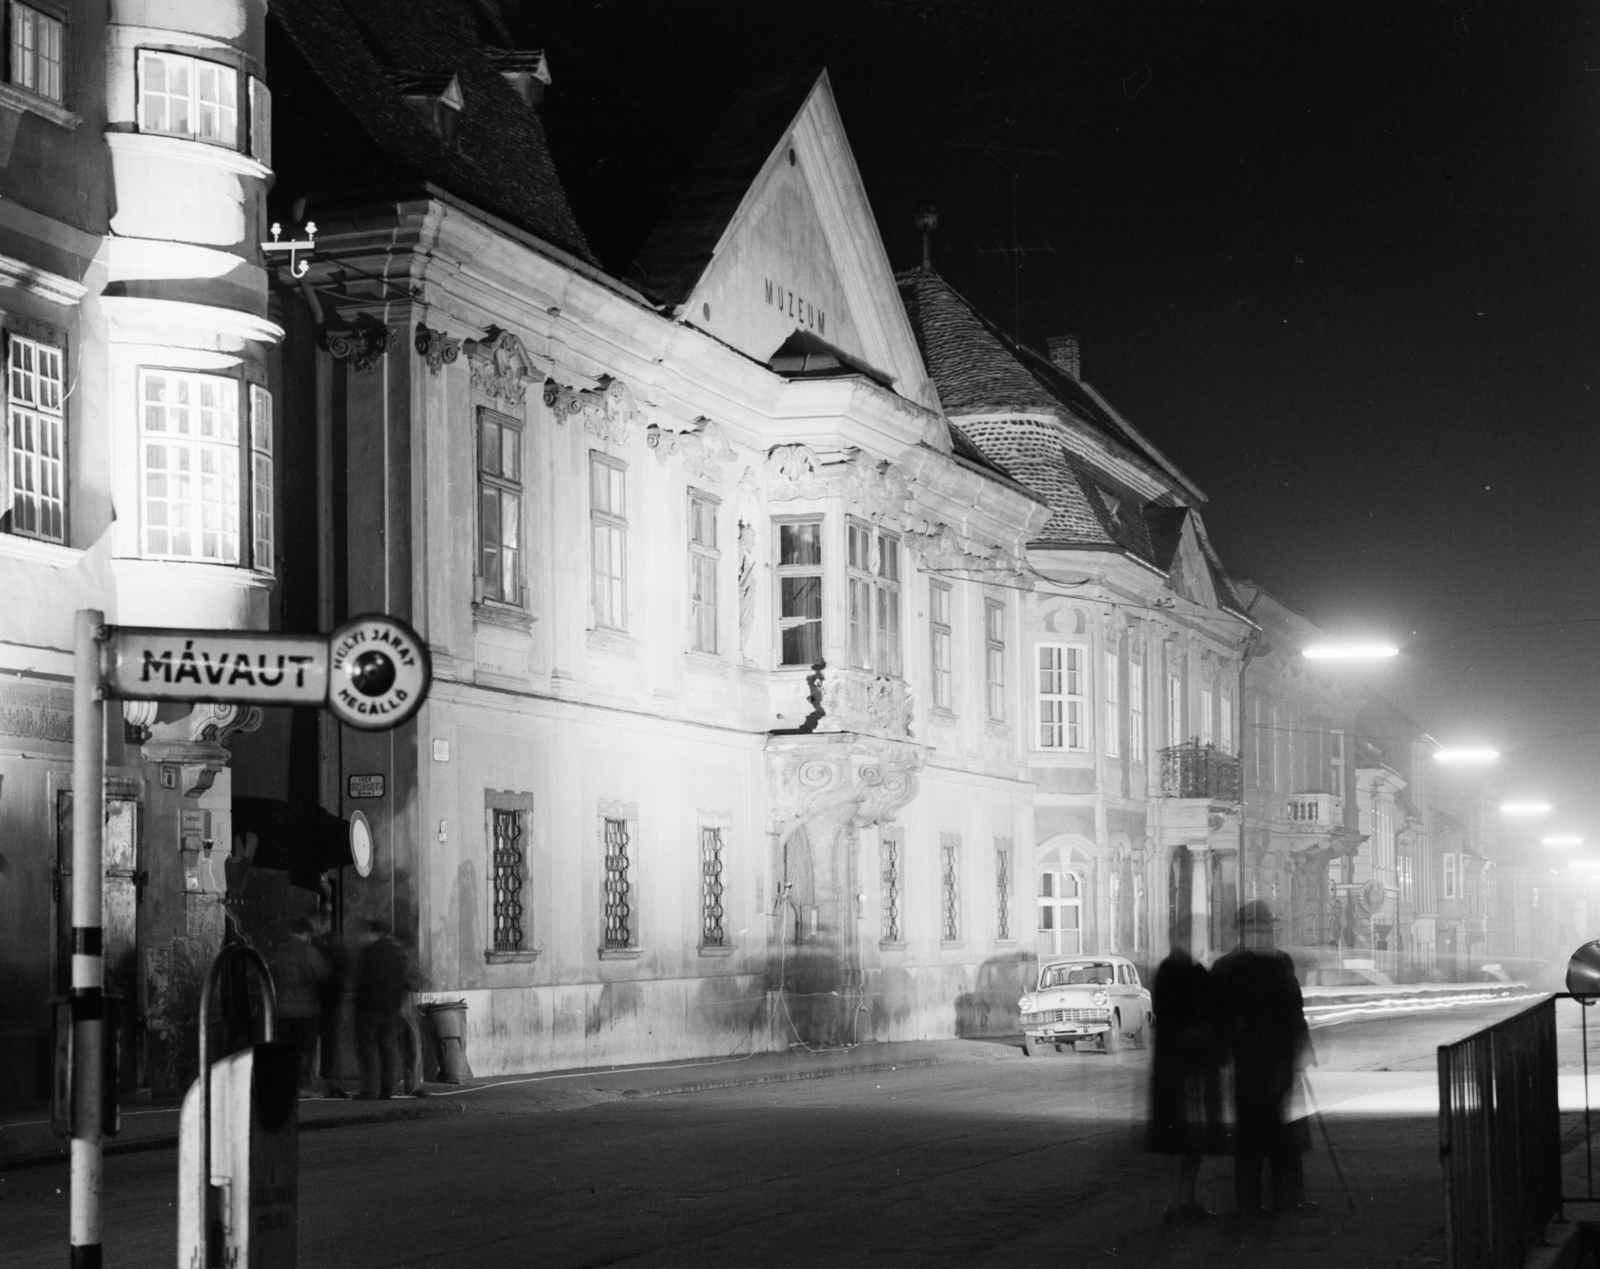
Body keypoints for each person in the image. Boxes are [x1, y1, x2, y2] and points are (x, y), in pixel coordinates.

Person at [1210, 899, 1318, 1215]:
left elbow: (1295, 1008)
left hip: (1277, 1059)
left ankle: (1285, 1197)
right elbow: (1219, 1016)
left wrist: (1304, 1047)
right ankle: (1254, 1201)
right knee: (1258, 1133)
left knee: (1282, 1131)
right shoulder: (1229, 967)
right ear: (1243, 930)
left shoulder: (1278, 961)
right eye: (1257, 927)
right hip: (1251, 1061)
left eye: (1266, 927)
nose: (1264, 933)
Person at [1145, 944, 1227, 1225]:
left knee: (1185, 1142)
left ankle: (1182, 1201)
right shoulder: (1185, 973)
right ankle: (1179, 1202)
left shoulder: (1175, 971)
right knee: (1187, 1141)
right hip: (1188, 1072)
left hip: (1178, 1071)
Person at [354, 919, 415, 1099]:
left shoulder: (367, 952)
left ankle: (370, 1089)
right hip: (390, 1009)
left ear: (373, 932)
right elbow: (402, 981)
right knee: (389, 1049)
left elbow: (361, 980)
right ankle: (388, 1089)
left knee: (368, 1049)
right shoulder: (397, 953)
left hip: (368, 1009)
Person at [268, 918, 328, 1094]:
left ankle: (285, 1085)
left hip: (281, 1010)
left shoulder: (277, 952)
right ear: (307, 934)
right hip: (306, 1010)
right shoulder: (310, 952)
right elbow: (324, 975)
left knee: (284, 1050)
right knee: (305, 1051)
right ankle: (303, 1086)